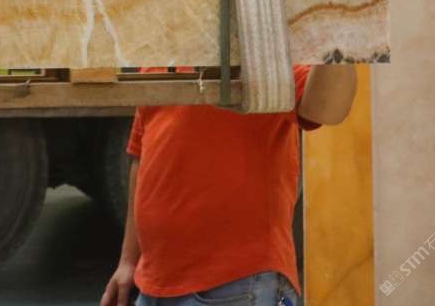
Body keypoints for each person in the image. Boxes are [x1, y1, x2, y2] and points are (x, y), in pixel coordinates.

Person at [100, 64, 358, 306]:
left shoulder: (261, 47)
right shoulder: (162, 57)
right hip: (153, 285)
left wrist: (336, 41)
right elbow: (141, 156)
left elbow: (327, 108)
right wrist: (128, 261)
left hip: (236, 284)